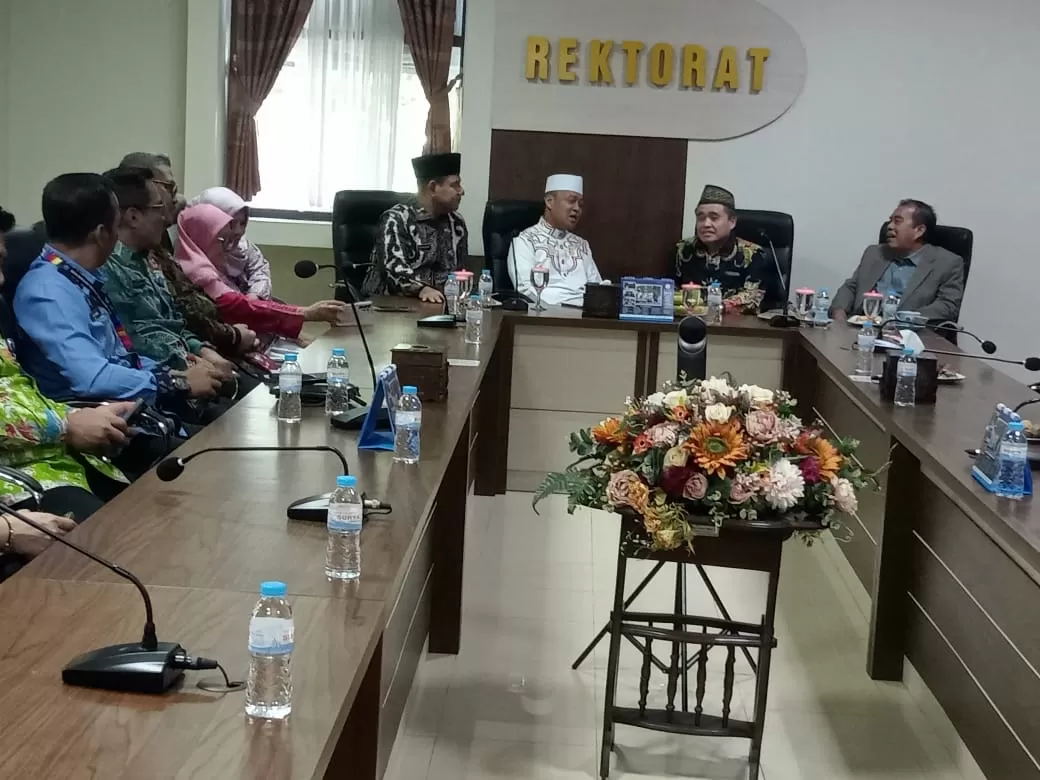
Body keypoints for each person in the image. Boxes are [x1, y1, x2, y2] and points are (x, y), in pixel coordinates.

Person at [0, 206, 134, 580]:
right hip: (20, 477)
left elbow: (21, 391)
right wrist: (66, 423)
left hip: (59, 459)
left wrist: (84, 417)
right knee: (103, 557)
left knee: (151, 521)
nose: (0, 280)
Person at [13, 173, 224, 408]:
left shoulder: (81, 277)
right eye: (116, 226)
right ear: (102, 234)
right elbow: (92, 378)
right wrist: (175, 382)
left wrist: (178, 370)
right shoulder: (47, 292)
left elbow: (121, 358)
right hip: (94, 419)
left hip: (128, 405)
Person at [120, 154, 258, 358]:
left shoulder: (153, 244)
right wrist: (229, 339)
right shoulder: (118, 262)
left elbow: (173, 317)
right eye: (169, 188)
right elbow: (145, 331)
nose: (175, 198)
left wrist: (200, 349)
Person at [104, 167, 235, 381]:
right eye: (158, 208)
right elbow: (135, 339)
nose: (166, 217)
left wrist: (203, 351)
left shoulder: (148, 259)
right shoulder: (110, 268)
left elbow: (172, 322)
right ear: (133, 216)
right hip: (159, 379)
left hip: (189, 365)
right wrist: (190, 361)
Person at [176, 203, 348, 339]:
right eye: (223, 240)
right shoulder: (196, 274)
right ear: (201, 239)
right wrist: (307, 313)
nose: (228, 247)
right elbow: (238, 308)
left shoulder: (203, 267)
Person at [831, 199, 965, 323]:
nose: (889, 226)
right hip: (862, 328)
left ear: (919, 231)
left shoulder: (947, 262)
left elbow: (948, 305)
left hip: (909, 336)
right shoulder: (874, 253)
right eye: (890, 221)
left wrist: (903, 320)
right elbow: (851, 287)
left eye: (897, 221)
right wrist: (839, 312)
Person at [363, 152, 467, 303]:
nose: (461, 191)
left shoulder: (456, 223)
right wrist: (421, 289)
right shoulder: (397, 219)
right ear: (433, 187)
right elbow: (393, 271)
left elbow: (459, 272)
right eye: (454, 185)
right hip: (389, 307)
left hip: (439, 304)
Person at [675, 185, 783, 313]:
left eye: (714, 218)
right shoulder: (684, 249)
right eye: (701, 217)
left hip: (737, 327)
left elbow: (752, 297)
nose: (706, 224)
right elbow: (672, 288)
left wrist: (717, 307)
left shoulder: (752, 254)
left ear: (732, 222)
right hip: (691, 321)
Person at [507, 174, 602, 305]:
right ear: (549, 201)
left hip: (585, 318)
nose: (577, 208)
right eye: (571, 201)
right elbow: (526, 289)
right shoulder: (525, 240)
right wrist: (565, 307)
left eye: (580, 204)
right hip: (545, 317)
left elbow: (597, 289)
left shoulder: (581, 245)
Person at [191, 186, 272, 299]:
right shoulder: (193, 252)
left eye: (242, 223)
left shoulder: (241, 245)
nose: (238, 231)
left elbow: (259, 268)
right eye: (231, 223)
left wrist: (255, 295)